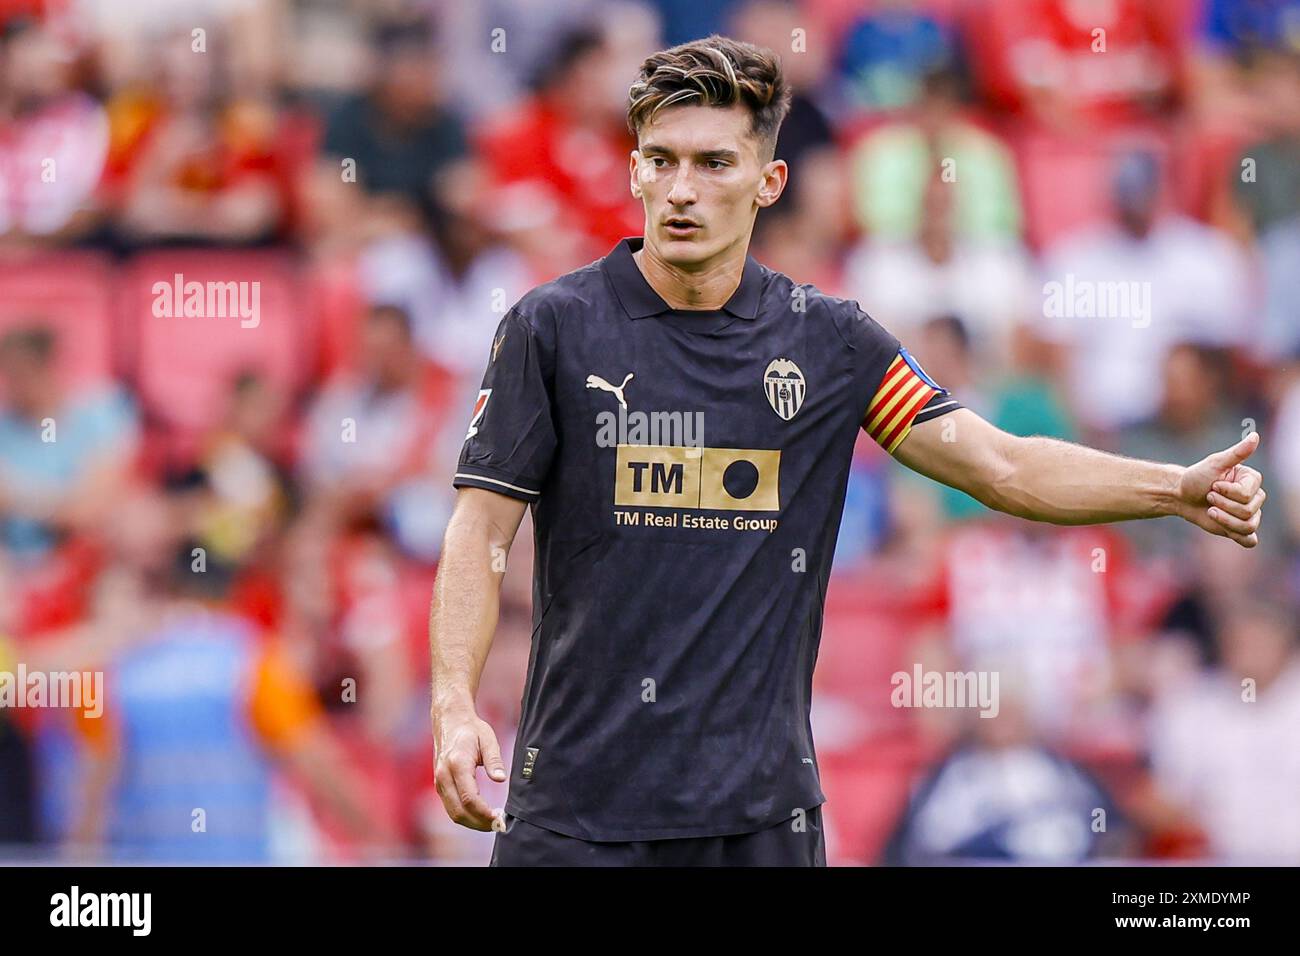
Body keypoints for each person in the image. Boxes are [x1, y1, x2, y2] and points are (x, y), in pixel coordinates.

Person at [429, 35, 1267, 868]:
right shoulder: (551, 330)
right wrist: (454, 704)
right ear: (636, 172)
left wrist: (1172, 488)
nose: (681, 190)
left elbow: (1000, 466)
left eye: (714, 164)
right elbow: (480, 532)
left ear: (770, 182)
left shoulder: (831, 344)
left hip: (759, 826)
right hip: (574, 816)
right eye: (661, 161)